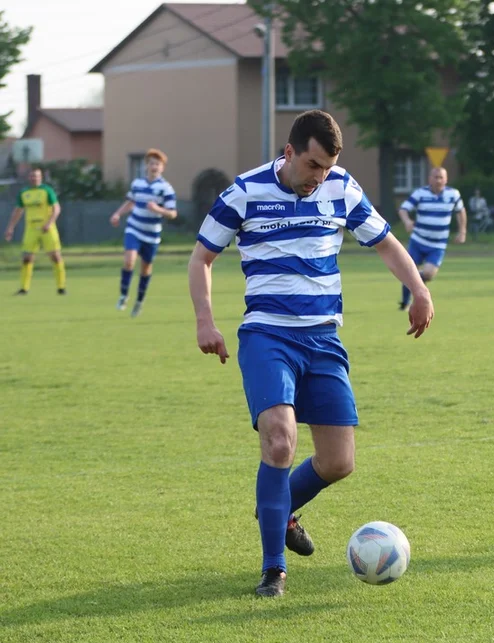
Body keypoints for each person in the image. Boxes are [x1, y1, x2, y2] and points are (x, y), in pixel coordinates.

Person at [188, 110, 433, 597]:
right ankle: (273, 570)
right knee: (280, 440)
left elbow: (385, 243)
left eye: (326, 167)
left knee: (339, 461)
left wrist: (419, 290)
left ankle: (275, 507)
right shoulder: (244, 191)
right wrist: (205, 320)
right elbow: (202, 258)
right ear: (289, 152)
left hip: (323, 338)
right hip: (267, 336)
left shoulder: (341, 187)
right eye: (313, 165)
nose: (318, 177)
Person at [110, 149, 177, 317]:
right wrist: (118, 214)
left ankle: (139, 301)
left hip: (152, 234)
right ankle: (124, 295)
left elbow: (172, 213)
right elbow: (131, 202)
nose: (154, 166)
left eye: (158, 164)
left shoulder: (166, 188)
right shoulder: (137, 183)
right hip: (134, 228)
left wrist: (157, 209)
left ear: (163, 168)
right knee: (129, 260)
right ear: (146, 165)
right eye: (151, 163)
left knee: (146, 268)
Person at [397, 167, 466, 310]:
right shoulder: (420, 193)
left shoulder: (453, 194)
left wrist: (462, 231)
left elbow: (460, 211)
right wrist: (407, 221)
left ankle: (415, 286)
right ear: (430, 178)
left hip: (438, 244)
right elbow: (403, 209)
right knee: (410, 270)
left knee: (427, 274)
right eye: (435, 177)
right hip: (418, 241)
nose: (438, 180)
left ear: (446, 179)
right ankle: (405, 302)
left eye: (441, 177)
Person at [4, 167, 66, 295]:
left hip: (47, 228)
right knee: (27, 258)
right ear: (29, 178)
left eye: (37, 176)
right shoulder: (24, 192)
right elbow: (18, 211)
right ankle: (24, 288)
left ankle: (61, 287)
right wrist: (10, 227)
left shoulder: (47, 190)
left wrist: (49, 224)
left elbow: (56, 209)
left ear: (41, 177)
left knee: (55, 256)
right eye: (32, 176)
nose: (34, 178)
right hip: (31, 229)